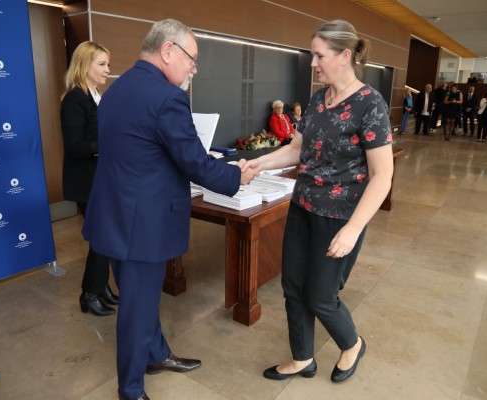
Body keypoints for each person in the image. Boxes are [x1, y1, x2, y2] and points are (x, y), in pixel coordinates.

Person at [82, 19, 258, 400]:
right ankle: (131, 389)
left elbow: (140, 152)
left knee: (139, 298)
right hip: (141, 224)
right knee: (136, 308)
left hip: (112, 214)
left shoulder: (118, 87)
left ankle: (156, 354)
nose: (194, 68)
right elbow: (193, 162)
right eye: (192, 59)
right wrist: (235, 177)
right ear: (168, 51)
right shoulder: (167, 97)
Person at [243, 19, 393, 385]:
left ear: (344, 56)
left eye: (318, 55)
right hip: (303, 208)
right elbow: (296, 149)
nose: (312, 63)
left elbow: (382, 176)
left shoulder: (370, 104)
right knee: (292, 287)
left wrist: (354, 229)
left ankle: (352, 343)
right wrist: (257, 163)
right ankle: (302, 357)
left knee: (322, 296)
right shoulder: (317, 100)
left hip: (341, 218)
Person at [60, 41, 118, 317]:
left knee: (103, 237)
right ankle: (89, 293)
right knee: (102, 237)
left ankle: (101, 287)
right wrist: (108, 141)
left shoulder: (97, 96)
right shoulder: (74, 99)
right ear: (85, 66)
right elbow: (74, 147)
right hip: (86, 183)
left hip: (101, 181)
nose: (109, 70)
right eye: (102, 64)